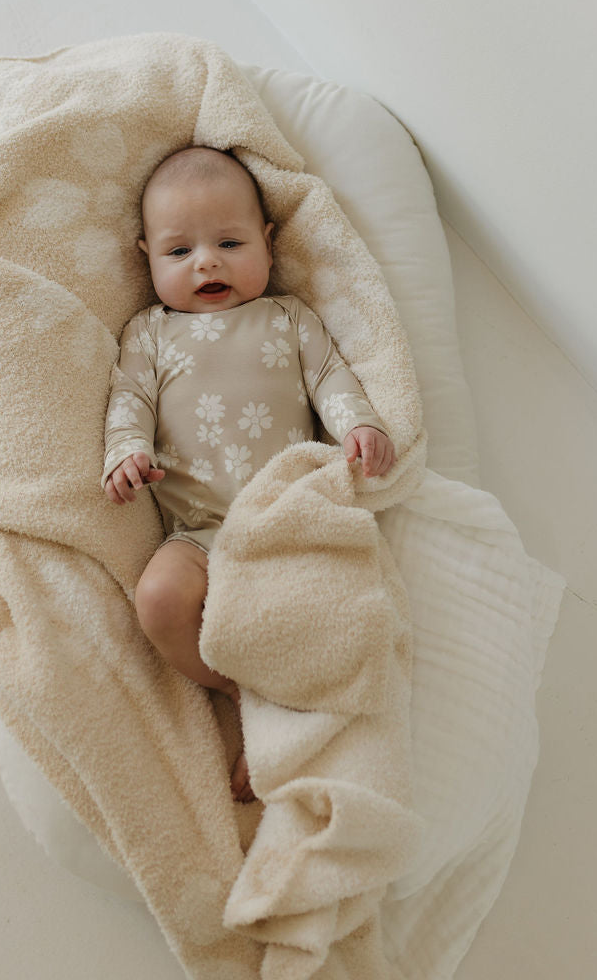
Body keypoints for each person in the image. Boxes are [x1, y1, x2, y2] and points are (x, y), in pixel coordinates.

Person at [103, 146, 397, 803]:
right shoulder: (149, 333)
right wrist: (125, 455)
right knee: (158, 602)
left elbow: (331, 380)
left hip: (284, 519)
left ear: (267, 245)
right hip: (199, 531)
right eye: (178, 253)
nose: (205, 261)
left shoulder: (290, 318)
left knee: (328, 616)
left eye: (229, 242)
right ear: (145, 256)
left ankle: (293, 713)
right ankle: (237, 687)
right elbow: (128, 403)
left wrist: (360, 426)